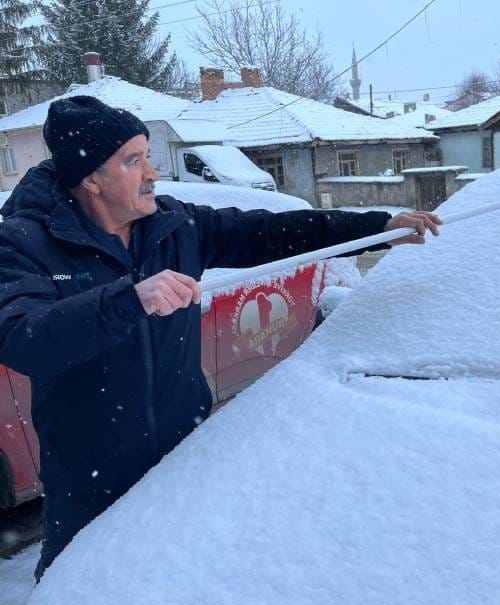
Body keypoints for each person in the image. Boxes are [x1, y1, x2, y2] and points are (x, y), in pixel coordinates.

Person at [0, 96, 442, 579]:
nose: (151, 171)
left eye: (148, 155)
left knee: (179, 585)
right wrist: (128, 300)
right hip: (89, 481)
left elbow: (269, 233)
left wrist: (376, 229)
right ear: (90, 179)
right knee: (79, 601)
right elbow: (23, 338)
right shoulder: (25, 241)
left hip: (182, 458)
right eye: (132, 160)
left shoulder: (171, 225)